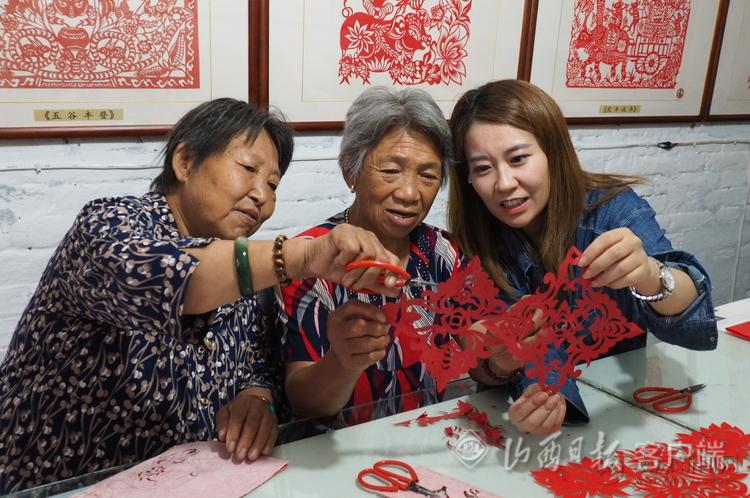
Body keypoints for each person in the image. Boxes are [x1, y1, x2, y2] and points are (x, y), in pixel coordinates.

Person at [0, 98, 401, 493]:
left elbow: (256, 364)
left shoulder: (236, 262)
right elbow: (168, 276)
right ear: (186, 162)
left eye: (273, 184)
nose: (262, 196)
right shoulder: (107, 226)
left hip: (183, 483)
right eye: (248, 169)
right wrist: (303, 255)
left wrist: (257, 397)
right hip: (59, 483)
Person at [447, 79, 718, 434]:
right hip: (525, 424)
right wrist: (516, 375)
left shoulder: (613, 211)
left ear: (553, 152)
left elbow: (695, 323)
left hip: (625, 412)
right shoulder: (478, 239)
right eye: (483, 168)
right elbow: (485, 361)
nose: (504, 183)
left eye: (518, 159)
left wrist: (650, 275)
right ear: (467, 177)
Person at [279, 87, 474, 423]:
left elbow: (479, 351)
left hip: (428, 437)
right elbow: (304, 404)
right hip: (335, 446)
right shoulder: (311, 260)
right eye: (391, 171)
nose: (410, 193)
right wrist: (343, 361)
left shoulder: (444, 253)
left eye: (428, 175)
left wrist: (501, 350)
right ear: (350, 171)